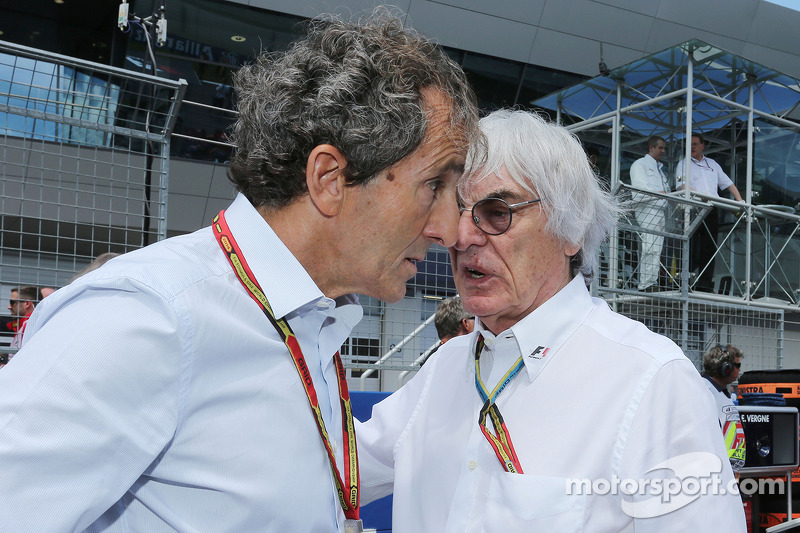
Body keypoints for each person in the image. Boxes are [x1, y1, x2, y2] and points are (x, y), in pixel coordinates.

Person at [0, 10, 479, 533]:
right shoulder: (145, 319)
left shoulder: (312, 322)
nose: (451, 230)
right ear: (329, 178)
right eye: (435, 184)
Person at [357, 110, 746, 532]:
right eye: (457, 211)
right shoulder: (442, 369)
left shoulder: (652, 381)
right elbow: (334, 470)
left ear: (571, 229)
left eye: (496, 212)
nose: (462, 237)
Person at [676, 133, 744, 292]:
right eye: (690, 144)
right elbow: (681, 186)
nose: (692, 147)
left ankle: (705, 284)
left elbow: (728, 183)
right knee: (691, 246)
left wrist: (740, 201)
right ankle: (687, 282)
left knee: (709, 247)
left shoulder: (712, 163)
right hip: (693, 208)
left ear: (702, 146)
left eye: (695, 144)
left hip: (712, 209)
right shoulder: (683, 163)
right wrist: (699, 196)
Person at [629, 135, 669, 292]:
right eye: (660, 148)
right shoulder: (640, 164)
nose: (663, 151)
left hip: (660, 211)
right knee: (650, 246)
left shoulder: (661, 170)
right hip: (647, 209)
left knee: (656, 248)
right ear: (651, 148)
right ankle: (645, 284)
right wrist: (658, 193)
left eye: (664, 148)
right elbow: (639, 190)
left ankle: (652, 281)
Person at [702, 344, 747, 474]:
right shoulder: (705, 390)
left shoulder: (720, 392)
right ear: (725, 368)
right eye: (737, 365)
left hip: (726, 469)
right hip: (715, 470)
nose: (739, 369)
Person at [7, 285, 38, 351]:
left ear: (27, 304)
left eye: (12, 303)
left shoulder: (30, 325)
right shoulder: (22, 325)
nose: (9, 307)